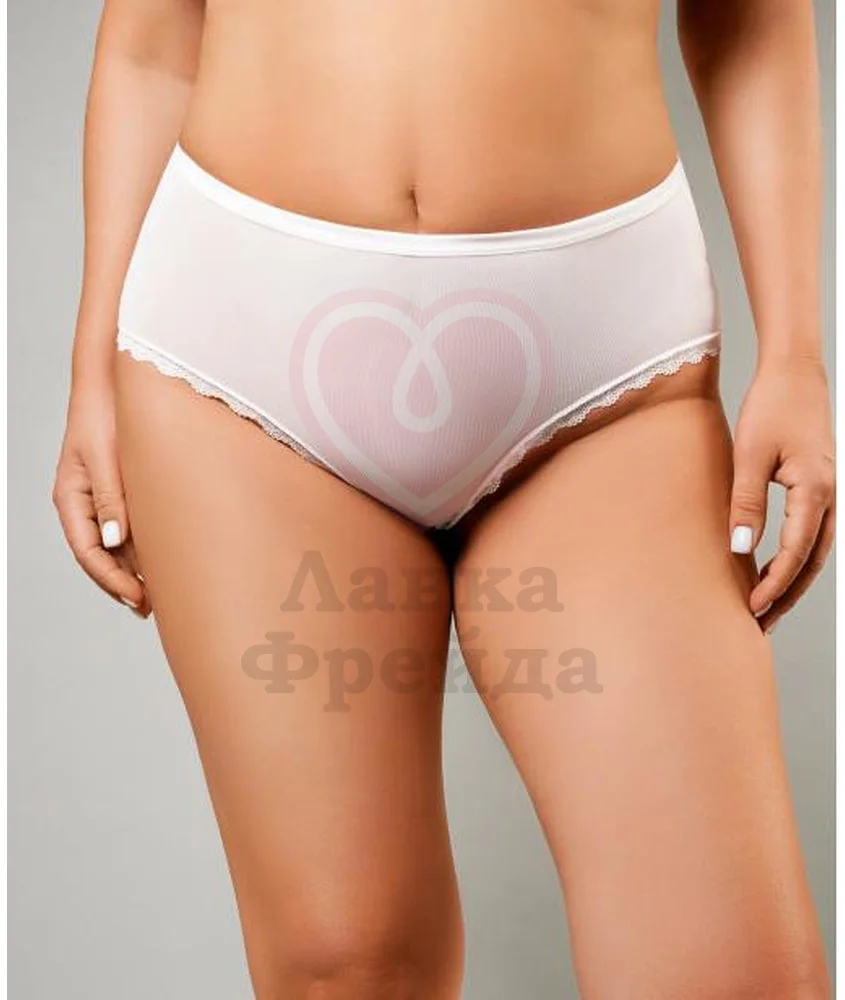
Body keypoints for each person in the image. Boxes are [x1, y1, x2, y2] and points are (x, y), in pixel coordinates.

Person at [53, 0, 834, 996]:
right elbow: (153, 45)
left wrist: (795, 354)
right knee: (346, 966)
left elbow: (749, 24)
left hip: (604, 362)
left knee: (728, 977)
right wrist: (91, 368)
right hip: (241, 347)